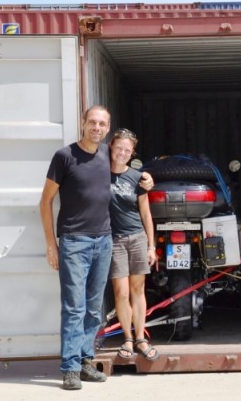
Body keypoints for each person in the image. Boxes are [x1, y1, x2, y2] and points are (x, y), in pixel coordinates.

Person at [39, 106, 152, 391]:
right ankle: (69, 368)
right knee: (74, 308)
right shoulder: (64, 157)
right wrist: (51, 243)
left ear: (107, 129)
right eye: (92, 122)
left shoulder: (106, 154)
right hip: (74, 242)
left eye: (102, 124)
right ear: (83, 123)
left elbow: (130, 171)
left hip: (104, 241)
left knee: (93, 309)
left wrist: (148, 179)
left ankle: (86, 361)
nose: (96, 128)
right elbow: (45, 202)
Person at [106, 129, 160, 361]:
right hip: (113, 240)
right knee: (121, 291)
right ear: (111, 147)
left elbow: (146, 215)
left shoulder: (138, 178)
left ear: (132, 153)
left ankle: (141, 338)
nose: (122, 153)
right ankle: (127, 338)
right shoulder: (99, 174)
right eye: (119, 148)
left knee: (138, 290)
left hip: (137, 237)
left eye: (127, 150)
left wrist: (151, 246)